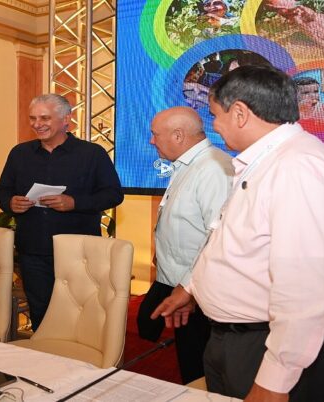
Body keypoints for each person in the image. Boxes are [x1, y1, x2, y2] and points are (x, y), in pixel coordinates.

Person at [152, 65, 324, 402]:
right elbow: (231, 240)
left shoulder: (298, 168)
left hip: (267, 343)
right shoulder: (265, 161)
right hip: (238, 337)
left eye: (215, 115)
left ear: (241, 113)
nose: (213, 126)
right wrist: (193, 288)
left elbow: (305, 287)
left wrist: (276, 378)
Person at [0, 94, 124, 331]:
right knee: (41, 313)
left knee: (81, 312)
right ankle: (45, 363)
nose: (37, 124)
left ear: (67, 119)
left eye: (45, 117)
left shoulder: (92, 154)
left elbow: (114, 194)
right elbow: (2, 191)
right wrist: (10, 203)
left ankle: (81, 364)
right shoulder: (20, 154)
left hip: (79, 252)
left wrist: (74, 203)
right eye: (33, 118)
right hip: (33, 252)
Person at [136, 106, 233, 384]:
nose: (152, 141)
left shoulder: (214, 169)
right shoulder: (189, 163)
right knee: (189, 364)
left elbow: (217, 238)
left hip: (199, 291)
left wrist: (189, 287)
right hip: (182, 285)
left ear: (178, 135)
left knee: (201, 369)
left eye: (155, 134)